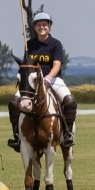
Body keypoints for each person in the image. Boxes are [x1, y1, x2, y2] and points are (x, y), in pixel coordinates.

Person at [7, 12, 77, 150]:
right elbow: (26, 65)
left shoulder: (55, 44)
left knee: (70, 101)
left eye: (45, 24)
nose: (42, 27)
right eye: (39, 25)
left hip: (53, 79)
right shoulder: (29, 45)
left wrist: (49, 77)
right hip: (32, 81)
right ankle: (16, 135)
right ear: (35, 28)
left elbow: (57, 65)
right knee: (14, 103)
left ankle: (68, 134)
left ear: (49, 27)